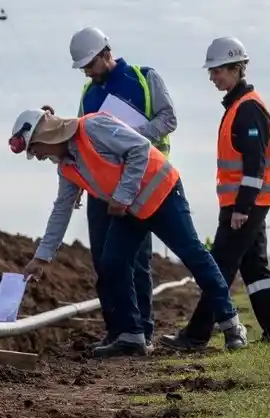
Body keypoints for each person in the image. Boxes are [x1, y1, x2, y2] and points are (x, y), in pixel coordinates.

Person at [11, 107, 248, 358]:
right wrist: (41, 257)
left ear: (45, 136)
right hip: (132, 210)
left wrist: (123, 195)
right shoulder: (67, 168)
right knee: (112, 264)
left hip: (163, 195)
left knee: (194, 256)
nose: (38, 157)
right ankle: (132, 336)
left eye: (35, 150)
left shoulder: (92, 127)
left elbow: (139, 149)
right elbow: (61, 210)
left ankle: (232, 325)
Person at [159, 37, 270, 352]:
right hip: (244, 203)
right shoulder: (238, 106)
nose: (213, 77)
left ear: (236, 68)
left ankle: (196, 335)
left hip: (245, 204)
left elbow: (255, 163)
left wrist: (243, 207)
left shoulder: (247, 109)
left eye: (218, 71)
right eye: (212, 71)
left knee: (218, 266)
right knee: (254, 268)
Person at [56, 27, 180, 349]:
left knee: (136, 260)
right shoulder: (88, 93)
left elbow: (168, 119)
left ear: (106, 54)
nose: (86, 72)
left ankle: (142, 330)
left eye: (89, 65)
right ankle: (118, 329)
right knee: (104, 259)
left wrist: (130, 137)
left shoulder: (144, 78)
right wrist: (82, 185)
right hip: (102, 189)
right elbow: (82, 140)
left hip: (140, 182)